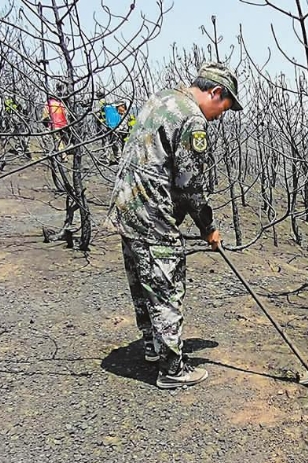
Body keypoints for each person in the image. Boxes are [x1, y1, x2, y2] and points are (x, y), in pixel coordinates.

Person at [108, 62, 243, 389]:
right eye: (224, 107)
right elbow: (189, 186)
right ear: (215, 93)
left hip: (126, 205)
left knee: (142, 277)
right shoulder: (193, 119)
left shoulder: (162, 98)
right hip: (152, 212)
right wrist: (207, 227)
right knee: (166, 282)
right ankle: (172, 368)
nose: (221, 115)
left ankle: (153, 346)